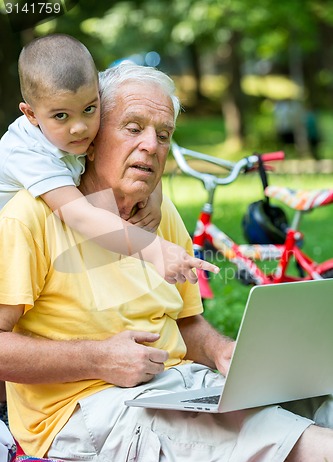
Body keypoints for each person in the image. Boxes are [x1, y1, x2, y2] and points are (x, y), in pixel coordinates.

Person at [0, 62, 333, 462]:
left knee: (318, 392)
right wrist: (98, 358)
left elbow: (186, 321)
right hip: (85, 414)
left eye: (163, 134)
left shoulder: (159, 215)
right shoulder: (28, 218)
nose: (151, 146)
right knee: (284, 439)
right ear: (93, 133)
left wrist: (221, 352)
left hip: (180, 388)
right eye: (133, 127)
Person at [0, 33, 218, 285]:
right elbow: (80, 215)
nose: (80, 127)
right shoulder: (28, 153)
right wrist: (154, 249)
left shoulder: (66, 132)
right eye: (61, 116)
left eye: (90, 109)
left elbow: (144, 153)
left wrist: (154, 198)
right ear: (31, 114)